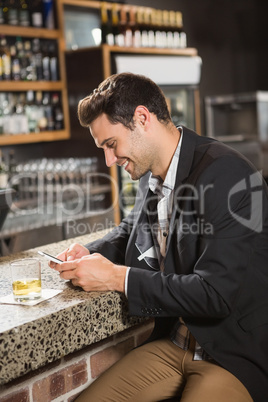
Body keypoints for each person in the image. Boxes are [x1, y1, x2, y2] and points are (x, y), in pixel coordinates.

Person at [50, 73, 268, 402]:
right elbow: (130, 233)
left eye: (111, 145)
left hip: (231, 355)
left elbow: (216, 294)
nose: (110, 160)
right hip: (174, 344)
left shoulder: (227, 173)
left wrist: (116, 277)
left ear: (142, 118)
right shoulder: (152, 173)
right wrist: (87, 252)